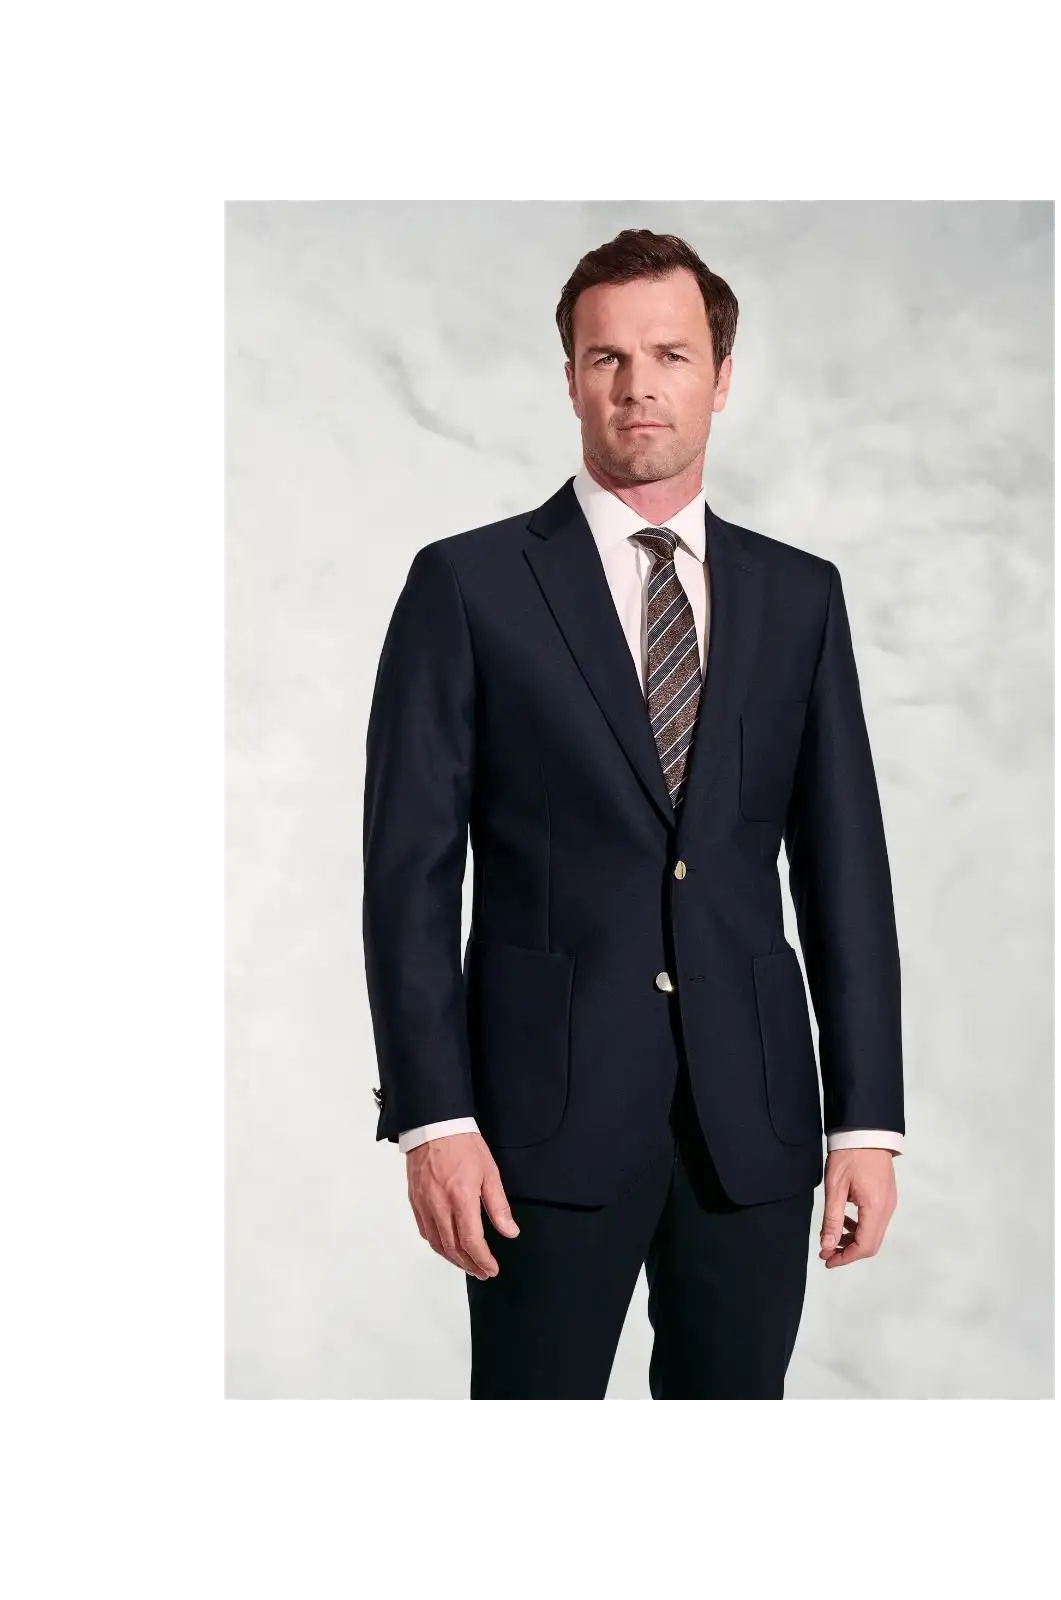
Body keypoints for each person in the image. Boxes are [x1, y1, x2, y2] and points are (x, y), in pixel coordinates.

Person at [362, 228, 904, 1399]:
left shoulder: (798, 596)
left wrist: (864, 1121)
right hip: (536, 1130)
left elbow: (843, 870)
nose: (637, 385)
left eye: (669, 354)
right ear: (569, 379)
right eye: (605, 357)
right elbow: (408, 877)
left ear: (720, 375)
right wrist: (432, 1118)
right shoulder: (468, 586)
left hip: (751, 1130)